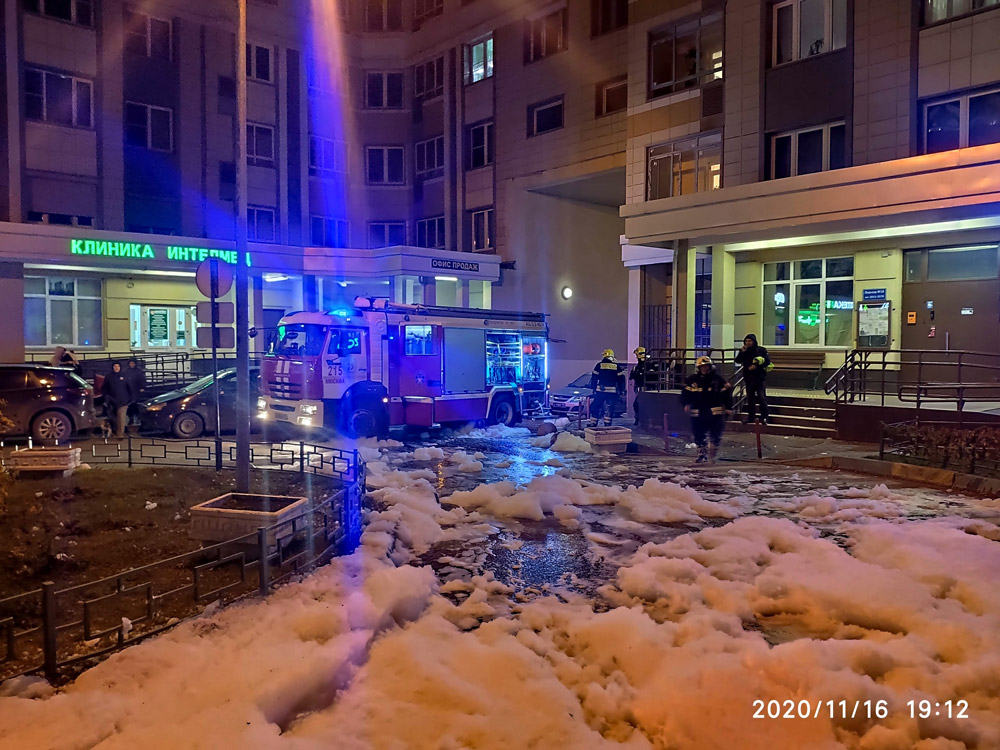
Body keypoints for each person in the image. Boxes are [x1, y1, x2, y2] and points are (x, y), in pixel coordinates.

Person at [681, 355, 733, 464]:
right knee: (698, 433)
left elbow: (726, 394)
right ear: (698, 368)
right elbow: (685, 393)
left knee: (715, 433)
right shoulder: (692, 380)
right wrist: (686, 403)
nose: (704, 369)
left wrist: (728, 407)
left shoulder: (717, 379)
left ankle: (713, 449)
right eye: (702, 367)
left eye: (706, 366)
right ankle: (702, 453)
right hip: (698, 410)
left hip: (714, 411)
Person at [735, 333, 772, 425]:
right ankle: (751, 417)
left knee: (761, 397)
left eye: (750, 341)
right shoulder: (745, 351)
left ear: (754, 341)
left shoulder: (761, 350)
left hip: (759, 377)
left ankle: (764, 417)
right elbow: (738, 360)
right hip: (749, 378)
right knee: (750, 399)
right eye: (746, 341)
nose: (748, 343)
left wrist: (756, 365)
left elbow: (767, 361)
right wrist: (742, 352)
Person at [588, 348, 625, 427]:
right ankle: (607, 423)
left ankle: (593, 422)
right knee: (609, 407)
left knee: (596, 406)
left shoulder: (599, 365)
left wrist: (593, 388)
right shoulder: (616, 367)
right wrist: (622, 390)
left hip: (600, 391)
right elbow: (621, 380)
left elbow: (594, 378)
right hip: (612, 392)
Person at [102, 362, 133, 438]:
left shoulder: (125, 376)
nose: (116, 368)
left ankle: (120, 434)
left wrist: (130, 398)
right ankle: (115, 431)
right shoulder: (109, 377)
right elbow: (104, 388)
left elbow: (130, 387)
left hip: (123, 401)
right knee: (114, 417)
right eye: (115, 366)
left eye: (118, 366)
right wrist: (107, 397)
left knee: (121, 418)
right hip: (111, 401)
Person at [628, 346, 657, 427]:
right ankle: (638, 419)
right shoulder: (636, 367)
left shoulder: (650, 365)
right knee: (636, 405)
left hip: (648, 389)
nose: (636, 357)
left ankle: (648, 421)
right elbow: (631, 376)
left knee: (644, 405)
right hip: (639, 389)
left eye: (637, 355)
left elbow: (653, 377)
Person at [125, 358, 146, 426]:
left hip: (136, 390)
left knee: (136, 404)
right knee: (130, 405)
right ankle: (131, 418)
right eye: (131, 363)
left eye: (133, 363)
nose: (132, 365)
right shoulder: (126, 371)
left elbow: (142, 380)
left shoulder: (138, 371)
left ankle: (137, 418)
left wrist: (142, 387)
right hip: (129, 391)